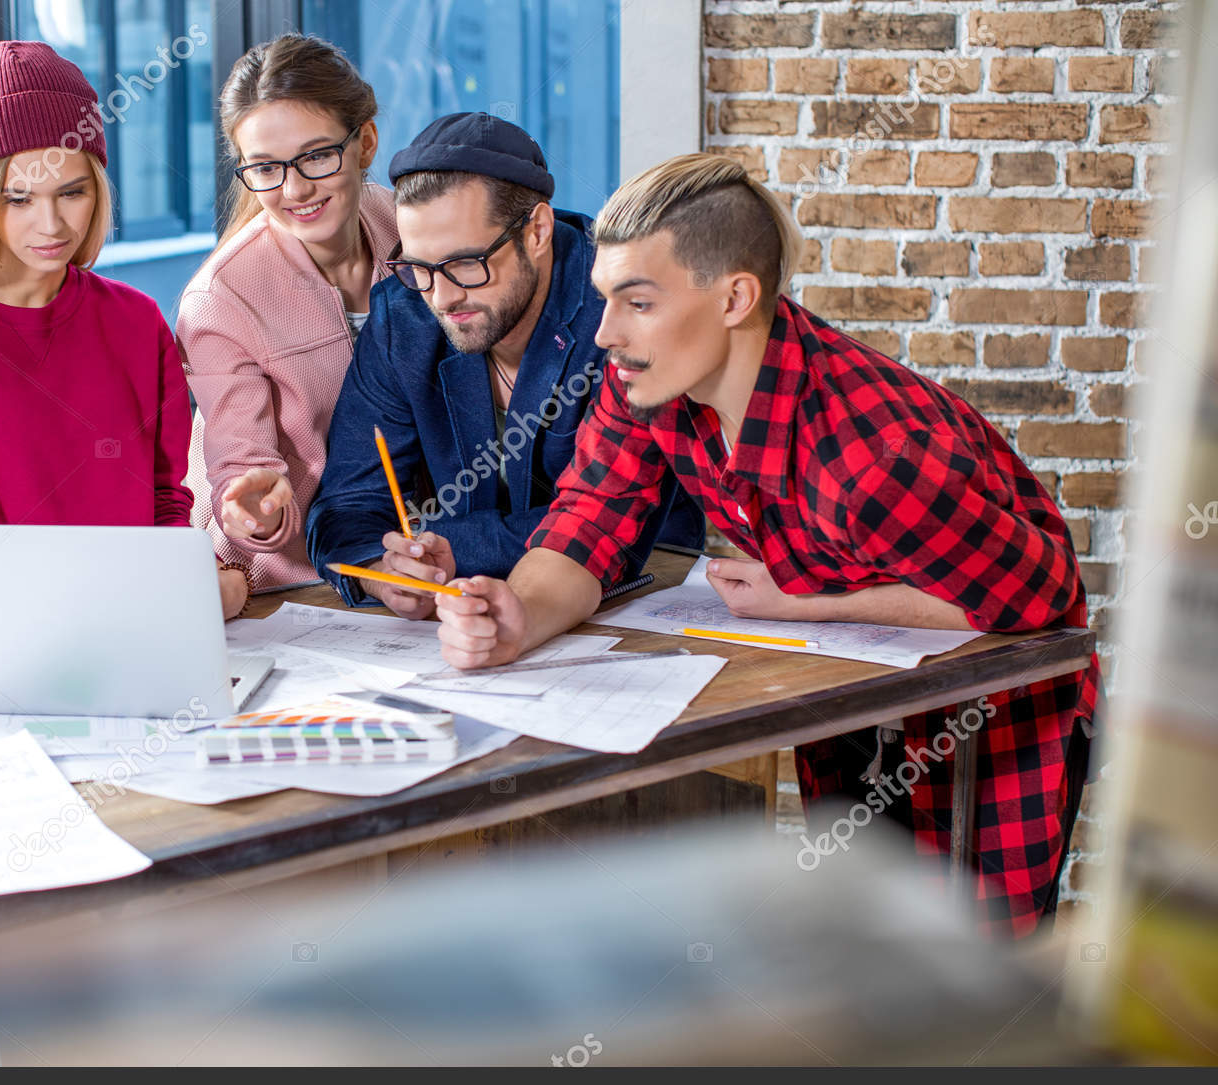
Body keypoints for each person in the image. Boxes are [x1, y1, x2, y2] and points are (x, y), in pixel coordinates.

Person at [434, 154, 1099, 937]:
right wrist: (518, 614)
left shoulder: (872, 457)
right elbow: (590, 515)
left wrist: (806, 601)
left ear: (735, 298)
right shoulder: (644, 385)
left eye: (638, 302)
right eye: (605, 299)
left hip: (993, 724)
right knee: (852, 949)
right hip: (858, 688)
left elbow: (1041, 602)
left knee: (970, 974)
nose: (606, 333)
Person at [0, 41, 246, 619]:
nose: (52, 224)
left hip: (140, 625)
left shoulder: (136, 322)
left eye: (72, 192)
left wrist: (191, 591)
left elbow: (166, 502)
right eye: (19, 198)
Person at [306, 113, 702, 618]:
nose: (441, 298)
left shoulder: (621, 310)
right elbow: (347, 504)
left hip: (647, 596)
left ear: (537, 230)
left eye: (465, 263)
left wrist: (447, 546)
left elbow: (609, 521)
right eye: (419, 267)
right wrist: (381, 570)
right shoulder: (403, 315)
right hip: (459, 611)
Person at [177, 34, 397, 591]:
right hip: (283, 580)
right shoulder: (220, 299)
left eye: (317, 155)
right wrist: (254, 507)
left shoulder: (408, 228)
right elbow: (239, 461)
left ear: (366, 143)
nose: (295, 189)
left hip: (403, 558)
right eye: (265, 168)